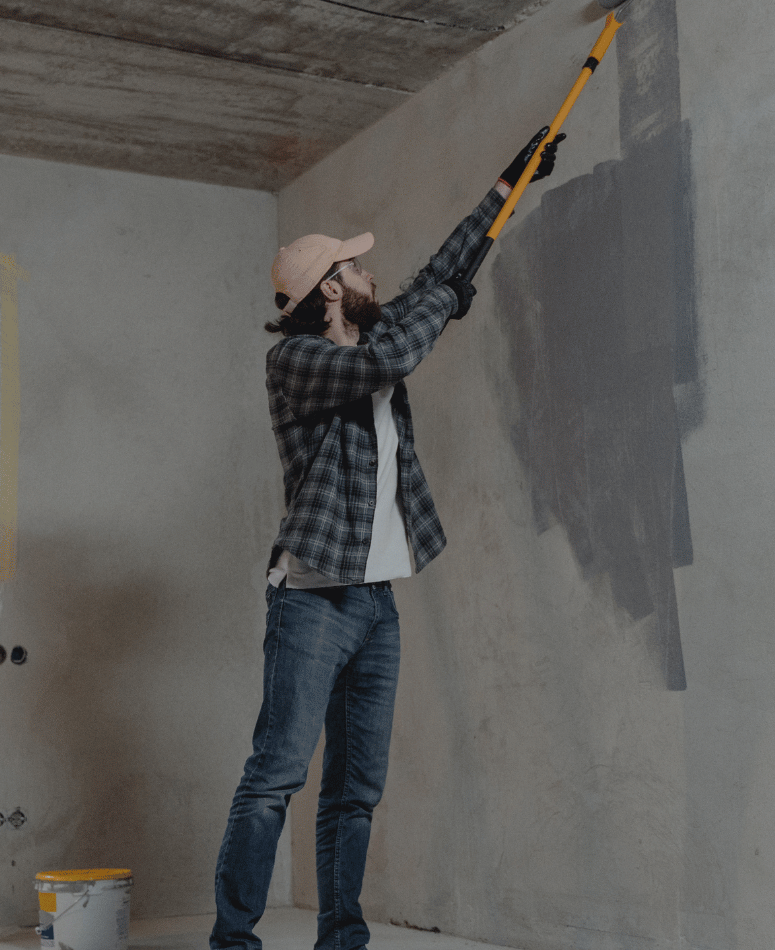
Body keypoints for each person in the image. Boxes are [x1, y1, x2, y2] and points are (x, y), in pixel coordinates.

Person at [209, 129, 563, 950]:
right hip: (313, 600)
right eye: (358, 268)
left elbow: (442, 275)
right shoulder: (297, 363)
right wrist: (441, 305)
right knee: (276, 779)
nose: (374, 274)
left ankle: (343, 938)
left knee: (357, 788)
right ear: (331, 292)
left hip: (375, 605)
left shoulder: (373, 334)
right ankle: (234, 940)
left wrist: (510, 181)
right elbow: (394, 357)